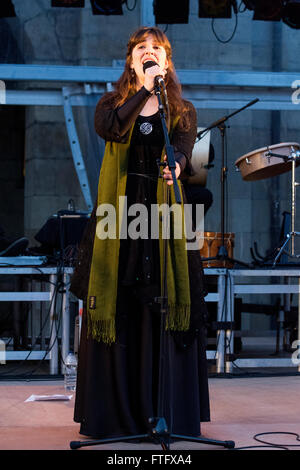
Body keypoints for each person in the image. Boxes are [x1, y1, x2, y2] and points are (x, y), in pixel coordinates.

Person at [70, 26, 210, 441]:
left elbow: (183, 149)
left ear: (167, 61)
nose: (149, 53)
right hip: (120, 219)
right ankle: (118, 416)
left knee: (164, 302)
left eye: (157, 49)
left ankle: (164, 410)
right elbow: (111, 129)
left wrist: (179, 165)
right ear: (131, 59)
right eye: (141, 49)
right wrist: (144, 91)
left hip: (163, 221)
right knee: (123, 303)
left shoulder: (181, 109)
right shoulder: (113, 103)